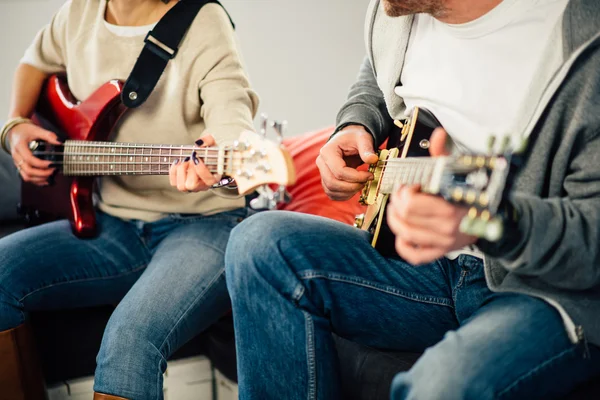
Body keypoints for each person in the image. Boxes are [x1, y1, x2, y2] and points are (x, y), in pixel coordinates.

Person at [224, 0, 600, 398]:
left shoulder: (582, 44)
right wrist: (355, 122)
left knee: (437, 388)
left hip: (541, 288)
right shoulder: (399, 13)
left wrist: (482, 219)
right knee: (258, 244)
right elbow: (378, 68)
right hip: (425, 268)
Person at [0, 0, 258, 399]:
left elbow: (232, 119)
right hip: (114, 222)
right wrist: (15, 124)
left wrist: (223, 155)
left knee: (129, 339)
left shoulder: (204, 20)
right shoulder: (78, 12)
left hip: (204, 224)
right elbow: (34, 61)